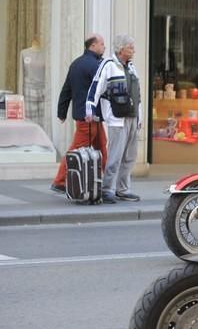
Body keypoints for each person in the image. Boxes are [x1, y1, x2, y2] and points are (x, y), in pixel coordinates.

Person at [86, 35, 142, 204]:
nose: (133, 50)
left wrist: (139, 117)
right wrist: (89, 107)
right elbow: (96, 86)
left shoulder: (131, 67)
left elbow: (137, 95)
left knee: (130, 156)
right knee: (115, 155)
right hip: (117, 118)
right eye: (130, 48)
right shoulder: (108, 65)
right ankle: (107, 189)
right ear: (121, 49)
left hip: (132, 118)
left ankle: (123, 189)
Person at [50, 34, 106, 193]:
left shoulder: (76, 63)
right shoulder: (95, 65)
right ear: (93, 46)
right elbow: (103, 90)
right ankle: (60, 181)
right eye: (102, 44)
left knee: (102, 146)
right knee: (77, 148)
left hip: (86, 115)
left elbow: (66, 89)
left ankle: (107, 180)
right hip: (89, 116)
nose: (104, 47)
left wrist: (62, 112)